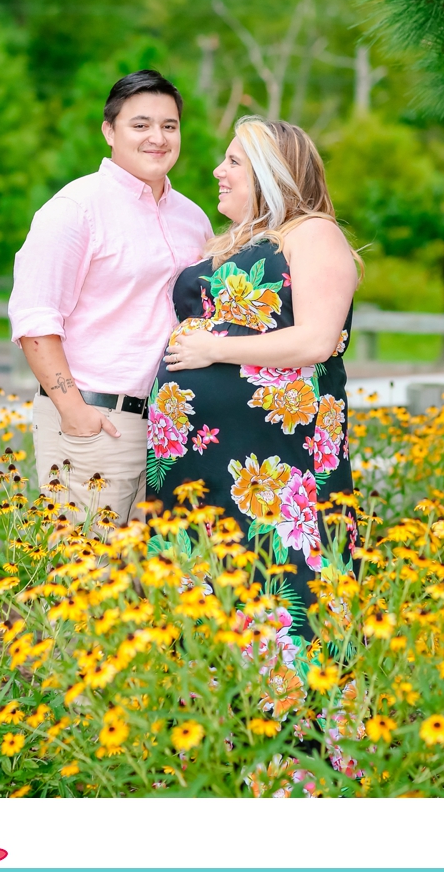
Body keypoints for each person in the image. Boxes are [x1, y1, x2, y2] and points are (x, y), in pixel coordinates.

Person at [148, 115, 359, 617]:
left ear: (272, 173)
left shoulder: (312, 233)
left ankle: (291, 698)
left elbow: (318, 339)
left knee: (280, 582)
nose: (218, 171)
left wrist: (214, 350)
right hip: (202, 463)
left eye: (234, 161)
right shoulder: (238, 242)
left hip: (272, 467)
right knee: (209, 597)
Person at [8, 70, 212, 527]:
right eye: (140, 125)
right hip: (99, 421)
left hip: (173, 428)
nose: (157, 138)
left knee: (152, 584)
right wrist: (74, 411)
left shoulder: (193, 218)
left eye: (169, 126)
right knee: (87, 578)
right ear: (109, 131)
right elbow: (35, 319)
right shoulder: (75, 209)